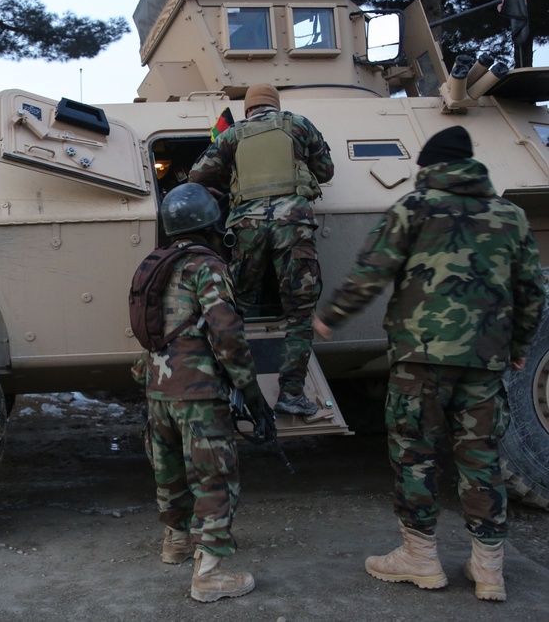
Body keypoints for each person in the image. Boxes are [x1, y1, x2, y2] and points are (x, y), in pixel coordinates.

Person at [312, 126, 545, 602]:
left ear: (429, 167)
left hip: (421, 360)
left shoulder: (412, 210)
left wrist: (330, 317)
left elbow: (372, 271)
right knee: (481, 459)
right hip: (484, 361)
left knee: (415, 454)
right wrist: (518, 345)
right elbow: (531, 291)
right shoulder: (509, 215)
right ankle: (489, 570)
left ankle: (420, 558)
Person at [131, 182, 275, 603]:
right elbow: (226, 333)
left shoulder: (155, 263)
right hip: (198, 392)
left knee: (170, 469)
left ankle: (176, 541)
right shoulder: (206, 266)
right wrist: (251, 392)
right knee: (213, 474)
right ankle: (209, 573)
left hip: (158, 389)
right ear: (212, 224)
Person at [189, 83, 334, 417]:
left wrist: (231, 177)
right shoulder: (298, 124)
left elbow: (197, 175)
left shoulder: (232, 135)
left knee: (236, 307)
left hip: (247, 227)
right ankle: (292, 394)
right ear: (275, 104)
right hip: (293, 226)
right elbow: (325, 171)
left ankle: (228, 388)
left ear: (248, 109)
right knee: (299, 314)